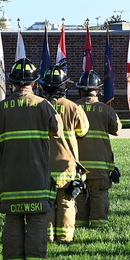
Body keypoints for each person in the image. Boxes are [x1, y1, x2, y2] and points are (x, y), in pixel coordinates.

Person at [0, 59, 63, 260]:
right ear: (34, 82)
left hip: (9, 176)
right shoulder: (44, 106)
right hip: (37, 175)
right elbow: (58, 131)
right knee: (37, 218)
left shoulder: (0, 109)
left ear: (12, 83)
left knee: (12, 218)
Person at [40, 64, 90, 243]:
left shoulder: (39, 106)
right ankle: (65, 237)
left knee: (47, 202)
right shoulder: (73, 107)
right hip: (66, 165)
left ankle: (47, 236)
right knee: (66, 201)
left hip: (43, 164)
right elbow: (83, 131)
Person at [74, 71, 122, 229]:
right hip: (100, 165)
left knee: (79, 195)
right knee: (99, 195)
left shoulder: (73, 108)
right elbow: (117, 129)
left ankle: (79, 224)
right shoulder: (106, 110)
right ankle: (99, 226)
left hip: (77, 165)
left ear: (81, 90)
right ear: (98, 90)